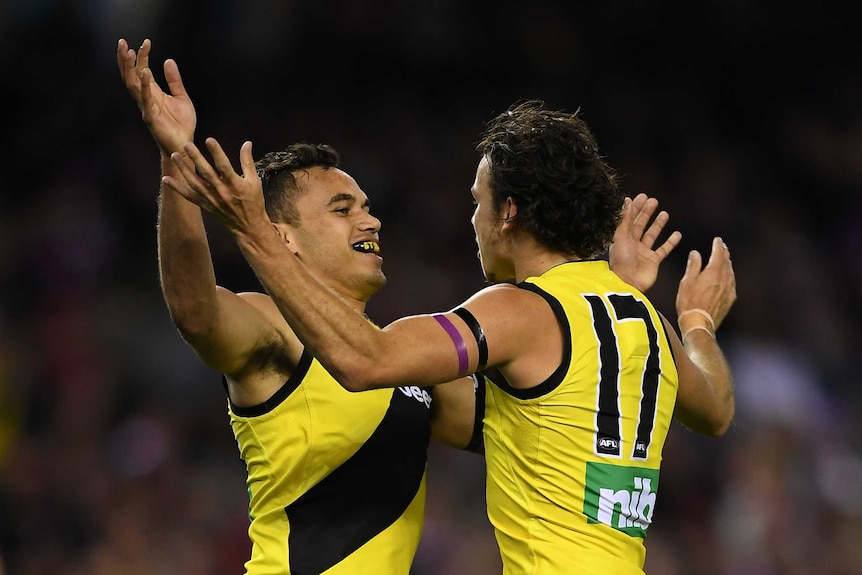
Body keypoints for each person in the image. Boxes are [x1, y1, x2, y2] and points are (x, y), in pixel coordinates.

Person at [117, 39, 683, 575]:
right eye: (342, 210)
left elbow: (554, 418)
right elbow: (194, 311)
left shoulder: (406, 366)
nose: (370, 220)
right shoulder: (272, 328)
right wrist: (176, 161)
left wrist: (611, 294)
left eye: (366, 206)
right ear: (282, 235)